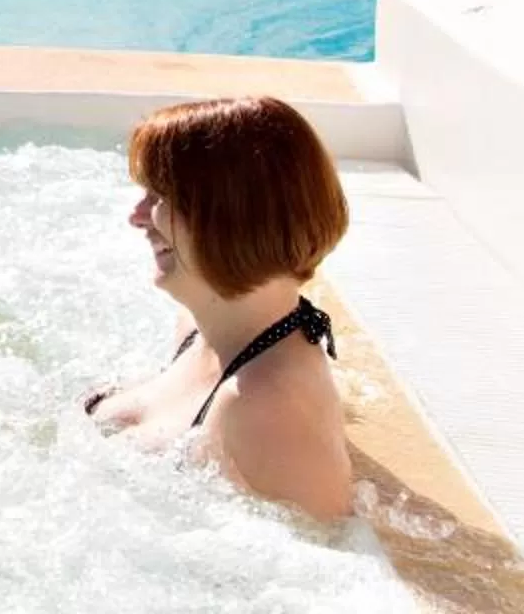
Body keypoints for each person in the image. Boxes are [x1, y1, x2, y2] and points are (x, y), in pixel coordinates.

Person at [85, 96, 354, 521]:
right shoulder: (200, 327)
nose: (136, 217)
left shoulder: (269, 411)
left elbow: (329, 546)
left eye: (159, 197)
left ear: (231, 218)